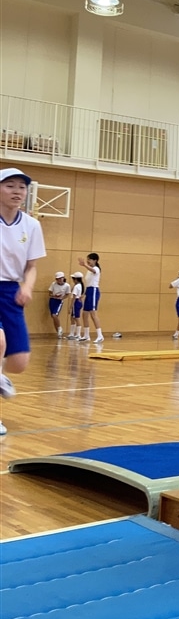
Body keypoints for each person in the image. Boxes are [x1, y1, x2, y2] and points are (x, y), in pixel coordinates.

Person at [0, 167, 46, 436]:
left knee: (18, 363)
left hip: (11, 292)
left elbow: (32, 266)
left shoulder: (31, 225)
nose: (17, 191)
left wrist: (27, 287)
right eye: (9, 186)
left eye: (21, 187)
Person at [77, 252, 104, 344]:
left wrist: (84, 264)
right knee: (84, 314)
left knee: (93, 314)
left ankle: (100, 336)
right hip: (89, 291)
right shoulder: (89, 270)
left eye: (89, 259)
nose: (88, 261)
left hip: (94, 291)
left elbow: (93, 271)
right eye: (87, 259)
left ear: (95, 260)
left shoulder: (96, 268)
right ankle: (86, 335)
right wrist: (83, 294)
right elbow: (88, 284)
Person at [48, 271, 71, 339]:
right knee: (53, 316)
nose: (59, 280)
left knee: (54, 315)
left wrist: (61, 298)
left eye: (60, 278)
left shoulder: (67, 285)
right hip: (52, 300)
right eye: (58, 279)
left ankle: (59, 328)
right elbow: (49, 293)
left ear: (63, 278)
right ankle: (59, 333)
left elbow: (67, 294)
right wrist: (54, 295)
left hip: (59, 301)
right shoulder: (53, 284)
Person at [66, 271, 84, 340]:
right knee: (72, 318)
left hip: (75, 302)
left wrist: (70, 307)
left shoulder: (77, 286)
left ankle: (78, 334)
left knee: (76, 318)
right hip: (78, 302)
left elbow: (74, 297)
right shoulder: (80, 285)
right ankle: (72, 333)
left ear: (76, 279)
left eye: (73, 279)